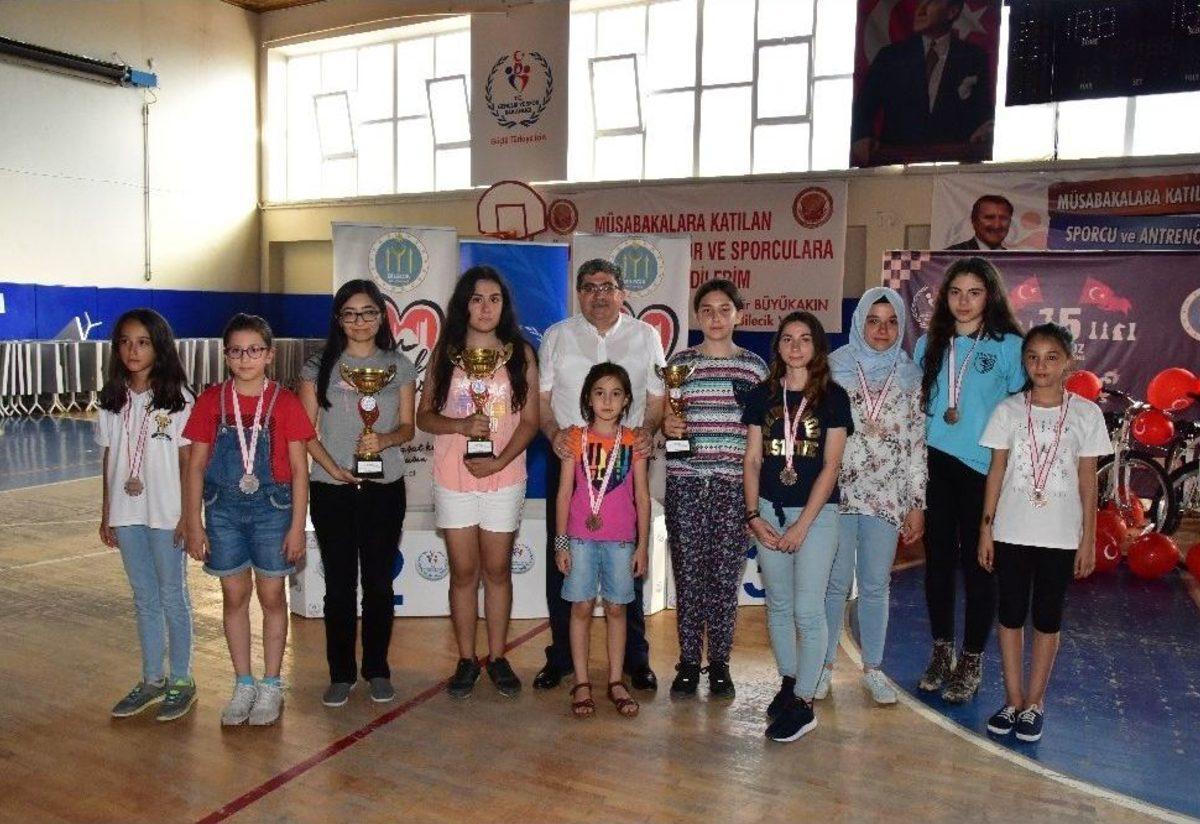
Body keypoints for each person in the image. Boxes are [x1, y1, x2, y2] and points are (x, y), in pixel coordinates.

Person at [534, 259, 665, 692]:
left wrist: (647, 431)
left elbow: (657, 397)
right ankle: (561, 658)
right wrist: (553, 434)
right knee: (564, 561)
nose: (599, 295)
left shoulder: (646, 336)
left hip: (626, 459)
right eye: (589, 287)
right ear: (578, 294)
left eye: (607, 286)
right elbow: (543, 400)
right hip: (571, 456)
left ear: (623, 293)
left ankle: (635, 659)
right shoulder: (557, 336)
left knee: (628, 560)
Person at [978, 324, 1110, 742]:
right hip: (1012, 530)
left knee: (1048, 617)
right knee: (1010, 613)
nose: (1041, 366)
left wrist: (1087, 538)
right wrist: (986, 529)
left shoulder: (1087, 414)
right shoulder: (1008, 411)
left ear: (1068, 362)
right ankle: (1013, 699)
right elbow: (996, 471)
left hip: (1060, 535)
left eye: (1052, 357)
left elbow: (1088, 480)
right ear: (1024, 362)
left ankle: (1035, 703)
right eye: (1033, 357)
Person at [183, 313, 315, 726]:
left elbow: (300, 471)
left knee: (272, 597)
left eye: (254, 350)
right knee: (234, 597)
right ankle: (243, 682)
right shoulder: (211, 401)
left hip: (273, 512)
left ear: (269, 355)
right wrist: (193, 522)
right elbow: (195, 466)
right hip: (222, 511)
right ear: (226, 356)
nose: (245, 359)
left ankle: (271, 683)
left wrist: (297, 527)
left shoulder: (285, 403)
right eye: (236, 351)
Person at [417, 266, 538, 699]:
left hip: (504, 476)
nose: (486, 308)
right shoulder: (445, 353)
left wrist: (499, 461)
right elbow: (424, 417)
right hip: (454, 478)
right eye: (476, 299)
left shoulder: (521, 354)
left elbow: (531, 422)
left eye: (494, 299)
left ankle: (498, 657)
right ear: (463, 305)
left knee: (498, 570)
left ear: (504, 306)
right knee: (464, 572)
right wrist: (461, 424)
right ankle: (466, 659)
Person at [299, 280, 417, 708]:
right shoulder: (318, 367)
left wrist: (382, 439)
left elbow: (408, 427)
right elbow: (304, 431)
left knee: (379, 583)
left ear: (381, 316)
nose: (360, 321)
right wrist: (333, 468)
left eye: (368, 312)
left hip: (385, 488)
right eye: (350, 313)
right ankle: (341, 673)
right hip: (331, 488)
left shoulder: (398, 365)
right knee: (339, 584)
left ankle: (378, 670)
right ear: (338, 319)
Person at [914, 257, 1024, 704]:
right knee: (938, 564)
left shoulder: (1009, 346)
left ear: (990, 296)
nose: (963, 301)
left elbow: (1020, 413)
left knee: (981, 567)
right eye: (956, 292)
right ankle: (942, 651)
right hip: (935, 464)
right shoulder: (929, 344)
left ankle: (972, 659)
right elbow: (918, 409)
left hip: (983, 470)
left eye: (974, 292)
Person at [742, 311, 852, 743]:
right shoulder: (762, 394)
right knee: (779, 605)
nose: (795, 346)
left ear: (817, 347)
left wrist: (803, 525)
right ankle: (789, 683)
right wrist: (753, 515)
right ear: (778, 347)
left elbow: (831, 465)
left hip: (816, 515)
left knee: (808, 609)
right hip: (769, 512)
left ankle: (805, 702)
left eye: (805, 339)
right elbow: (753, 459)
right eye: (787, 338)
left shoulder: (833, 398)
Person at [661, 279, 767, 699]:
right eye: (707, 310)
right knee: (688, 576)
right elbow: (666, 420)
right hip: (686, 483)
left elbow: (762, 435)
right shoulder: (680, 364)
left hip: (733, 486)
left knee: (724, 579)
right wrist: (667, 425)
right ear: (697, 316)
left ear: (739, 314)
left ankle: (719, 662)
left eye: (725, 309)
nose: (716, 317)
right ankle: (688, 662)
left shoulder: (755, 368)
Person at [822, 288, 927, 706]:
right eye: (873, 320)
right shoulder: (834, 368)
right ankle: (823, 666)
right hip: (838, 491)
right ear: (859, 322)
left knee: (875, 584)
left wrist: (916, 502)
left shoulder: (910, 375)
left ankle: (873, 669)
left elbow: (917, 443)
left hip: (887, 495)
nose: (882, 330)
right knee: (833, 583)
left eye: (891, 322)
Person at [98, 309, 197, 722]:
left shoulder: (178, 398)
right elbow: (108, 456)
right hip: (127, 512)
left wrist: (189, 516)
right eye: (124, 342)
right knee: (144, 597)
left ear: (159, 346)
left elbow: (189, 462)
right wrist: (107, 512)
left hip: (166, 513)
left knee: (172, 595)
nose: (132, 350)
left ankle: (182, 680)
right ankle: (152, 678)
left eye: (142, 342)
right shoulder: (111, 398)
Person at [556, 363, 650, 719]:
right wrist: (561, 543)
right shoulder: (574, 439)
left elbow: (642, 497)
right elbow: (564, 493)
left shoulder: (633, 442)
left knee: (616, 609)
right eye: (599, 393)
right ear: (588, 399)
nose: (607, 401)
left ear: (626, 400)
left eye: (615, 394)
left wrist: (643, 546)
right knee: (581, 608)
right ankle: (581, 682)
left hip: (621, 542)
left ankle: (615, 680)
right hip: (580, 539)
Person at [850, 0, 993, 167]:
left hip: (952, 169)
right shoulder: (890, 57)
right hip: (895, 167)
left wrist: (985, 130)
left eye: (930, 2)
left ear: (952, 12)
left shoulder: (974, 58)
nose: (921, 10)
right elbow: (863, 108)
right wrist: (861, 138)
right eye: (920, 2)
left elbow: (983, 114)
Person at [947, 195, 1013, 251]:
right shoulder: (949, 256)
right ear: (974, 221)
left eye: (1004, 218)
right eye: (989, 218)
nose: (997, 225)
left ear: (1010, 222)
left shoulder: (1014, 259)